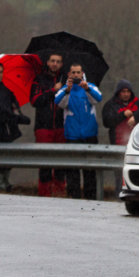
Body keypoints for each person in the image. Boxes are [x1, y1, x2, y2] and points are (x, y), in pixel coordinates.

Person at [54, 63, 102, 199]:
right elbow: (58, 102)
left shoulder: (90, 87)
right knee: (72, 170)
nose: (76, 75)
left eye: (78, 72)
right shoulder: (65, 90)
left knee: (90, 170)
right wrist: (67, 90)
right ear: (69, 74)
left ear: (82, 74)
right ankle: (74, 197)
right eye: (73, 73)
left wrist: (87, 89)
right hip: (72, 135)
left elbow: (98, 98)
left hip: (90, 135)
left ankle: (91, 197)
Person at [0, 62, 30, 192]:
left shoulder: (4, 89)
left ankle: (5, 183)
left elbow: (10, 107)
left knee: (7, 157)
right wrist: (18, 118)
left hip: (7, 129)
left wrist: (17, 114)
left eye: (0, 72)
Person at [29, 52, 66, 197]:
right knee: (44, 162)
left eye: (58, 61)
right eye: (53, 61)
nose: (55, 64)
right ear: (48, 63)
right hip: (43, 126)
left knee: (61, 162)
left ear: (61, 64)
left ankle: (59, 192)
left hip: (61, 126)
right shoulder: (39, 79)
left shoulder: (65, 80)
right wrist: (53, 91)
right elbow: (35, 101)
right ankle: (44, 194)